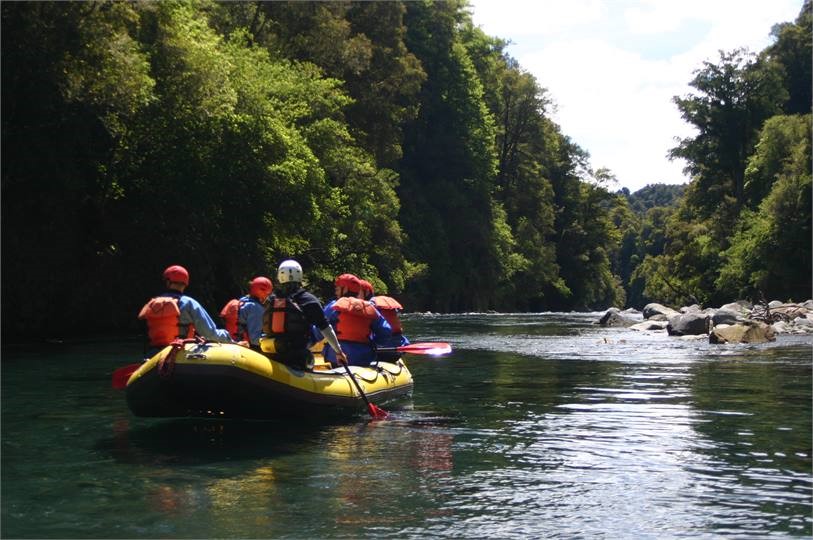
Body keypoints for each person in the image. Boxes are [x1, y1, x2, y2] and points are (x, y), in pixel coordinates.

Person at [261, 259, 347, 370]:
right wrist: (339, 352)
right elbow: (325, 328)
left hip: (271, 354)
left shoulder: (270, 300)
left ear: (279, 277)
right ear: (300, 275)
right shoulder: (309, 300)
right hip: (297, 356)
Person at [138, 265, 233, 356]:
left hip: (154, 354)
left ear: (167, 282)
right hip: (180, 353)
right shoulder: (189, 303)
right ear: (185, 283)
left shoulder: (152, 303)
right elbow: (209, 334)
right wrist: (228, 337)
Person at [323, 273, 392, 367]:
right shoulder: (368, 307)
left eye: (337, 289)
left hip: (337, 358)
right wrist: (374, 344)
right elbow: (386, 330)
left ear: (345, 289)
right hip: (364, 356)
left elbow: (320, 328)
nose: (336, 293)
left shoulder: (334, 306)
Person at [219, 276, 273, 349]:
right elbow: (255, 339)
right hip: (243, 346)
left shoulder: (243, 301)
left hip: (230, 342)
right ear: (263, 292)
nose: (267, 296)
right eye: (267, 294)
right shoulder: (255, 308)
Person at [371, 294, 410, 362]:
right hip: (396, 352)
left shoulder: (374, 315)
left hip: (380, 353)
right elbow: (406, 343)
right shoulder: (394, 315)